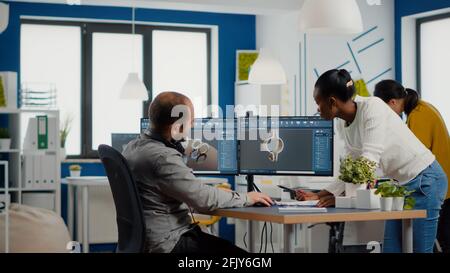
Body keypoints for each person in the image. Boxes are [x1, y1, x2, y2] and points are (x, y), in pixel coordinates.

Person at [296, 69, 447, 253]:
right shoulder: (344, 123)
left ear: (332, 102)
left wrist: (342, 199)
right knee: (391, 249)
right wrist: (320, 194)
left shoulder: (372, 107)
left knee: (419, 250)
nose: (317, 109)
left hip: (425, 180)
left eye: (317, 102)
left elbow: (369, 161)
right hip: (399, 188)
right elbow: (351, 168)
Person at [122, 91, 273, 253]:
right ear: (178, 125)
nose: (192, 125)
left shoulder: (132, 147)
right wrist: (246, 197)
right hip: (169, 243)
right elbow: (204, 200)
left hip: (146, 240)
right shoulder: (163, 157)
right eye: (191, 121)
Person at [374, 80, 450, 253]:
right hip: (435, 182)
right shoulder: (421, 108)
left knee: (428, 245)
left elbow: (413, 159)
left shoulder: (418, 115)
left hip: (431, 184)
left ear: (392, 102)